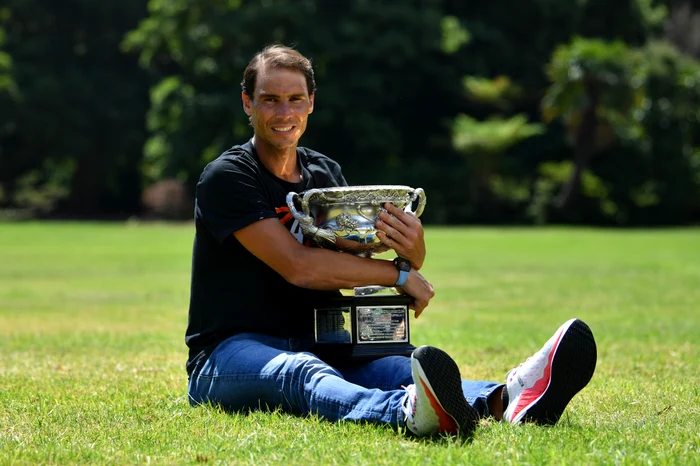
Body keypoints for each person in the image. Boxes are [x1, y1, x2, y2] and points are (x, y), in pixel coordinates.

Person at [185, 44, 597, 437]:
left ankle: (509, 397)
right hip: (228, 353)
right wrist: (397, 275)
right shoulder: (229, 176)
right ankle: (403, 412)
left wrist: (410, 251)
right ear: (247, 104)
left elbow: (353, 258)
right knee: (302, 373)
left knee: (399, 368)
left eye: (295, 99)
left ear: (311, 102)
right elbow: (300, 266)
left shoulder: (324, 175)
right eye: (270, 99)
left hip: (324, 340)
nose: (283, 111)